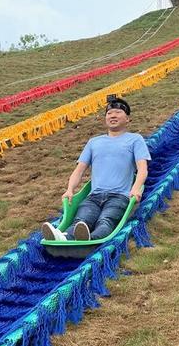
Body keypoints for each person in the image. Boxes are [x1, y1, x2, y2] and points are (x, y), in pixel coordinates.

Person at [42, 95, 151, 242]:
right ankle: (63, 237)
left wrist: (136, 188)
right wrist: (70, 190)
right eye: (109, 113)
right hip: (93, 196)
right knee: (81, 220)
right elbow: (79, 170)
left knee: (106, 220)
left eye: (118, 112)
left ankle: (91, 239)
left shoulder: (135, 139)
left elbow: (142, 168)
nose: (113, 115)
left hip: (119, 196)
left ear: (127, 119)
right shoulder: (94, 142)